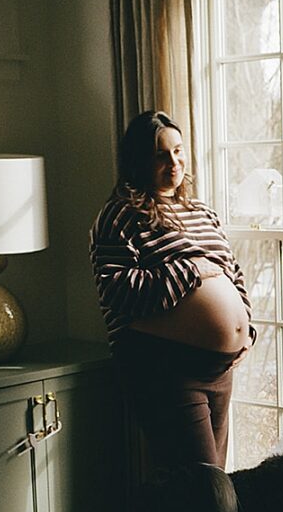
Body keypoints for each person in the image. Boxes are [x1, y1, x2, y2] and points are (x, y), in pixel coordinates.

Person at [90, 110, 254, 475]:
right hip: (166, 369)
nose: (174, 163)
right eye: (161, 154)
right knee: (200, 492)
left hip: (219, 370)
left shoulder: (202, 212)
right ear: (139, 161)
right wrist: (190, 271)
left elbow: (232, 273)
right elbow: (117, 291)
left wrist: (247, 332)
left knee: (215, 490)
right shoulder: (120, 215)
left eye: (178, 151)